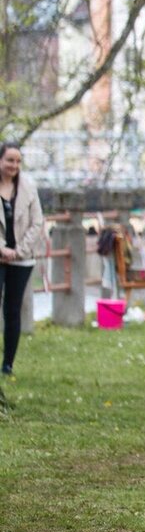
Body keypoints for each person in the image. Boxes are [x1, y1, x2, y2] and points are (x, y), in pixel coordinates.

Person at [0, 143, 45, 376]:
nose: (14, 166)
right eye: (9, 160)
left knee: (13, 309)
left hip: (22, 257)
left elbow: (37, 222)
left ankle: (8, 364)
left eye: (18, 161)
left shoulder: (28, 187)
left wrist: (18, 250)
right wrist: (2, 249)